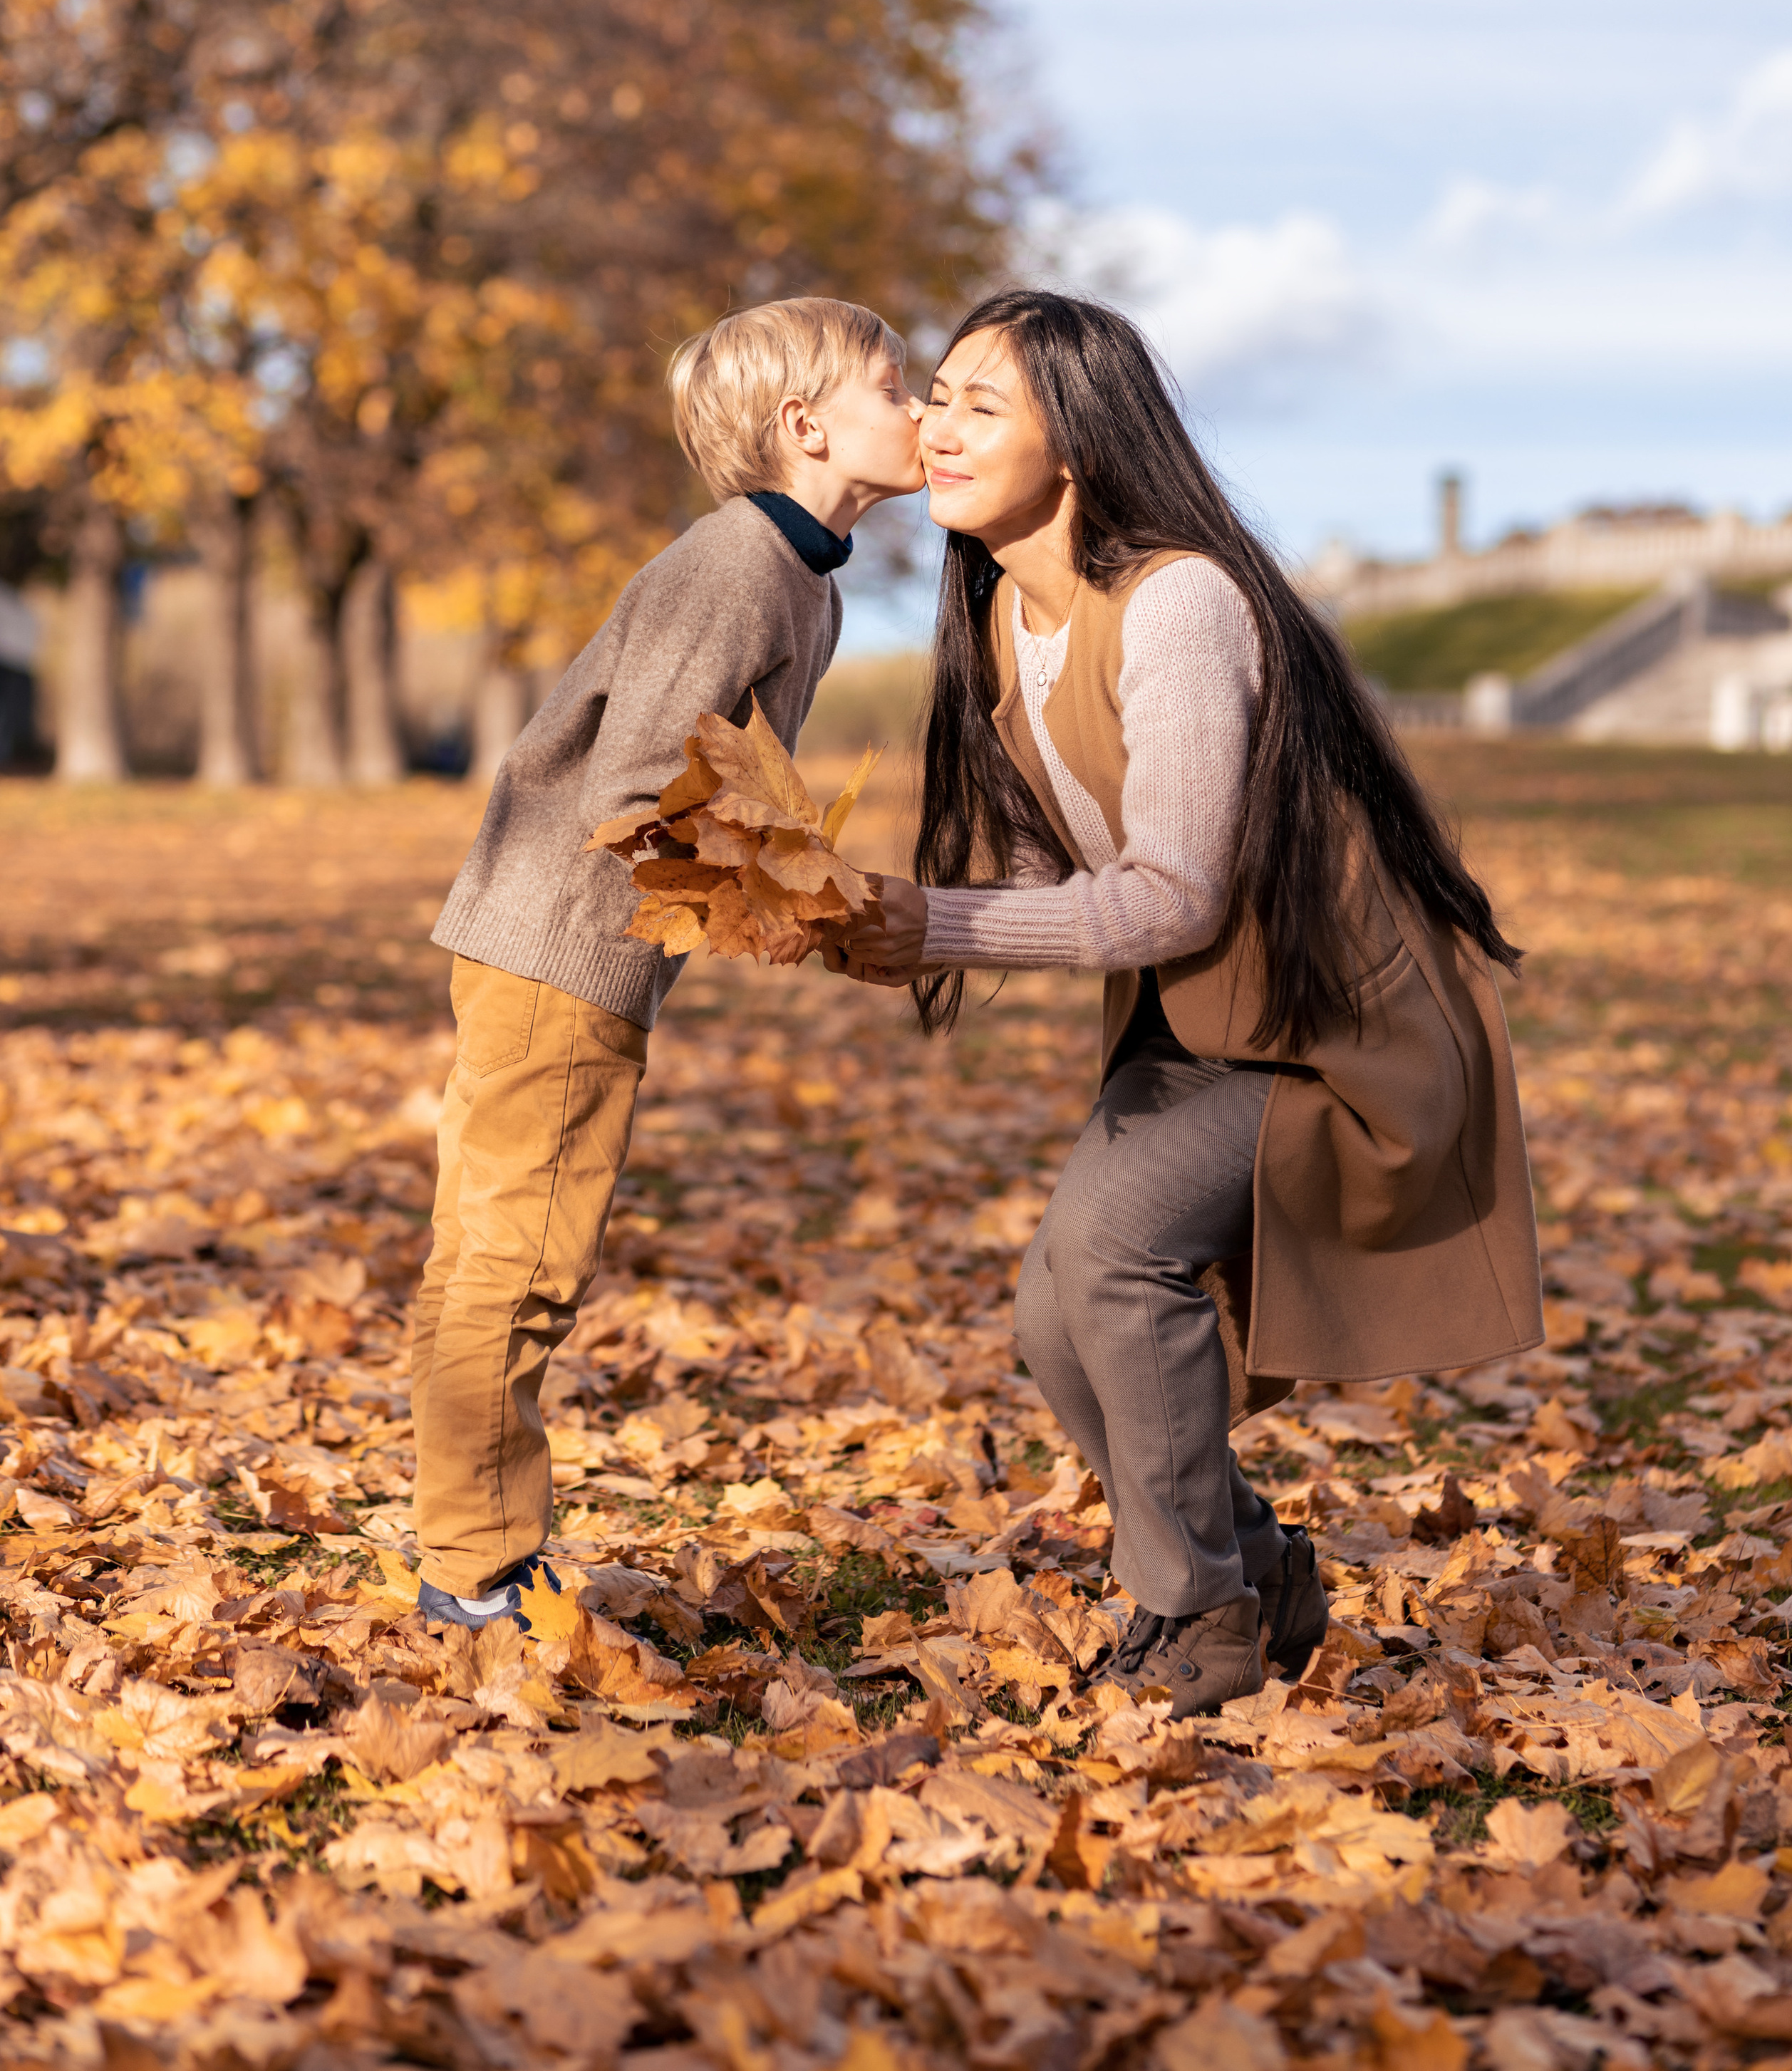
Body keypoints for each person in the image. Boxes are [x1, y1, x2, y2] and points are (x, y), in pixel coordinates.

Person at [839, 288, 1542, 1717]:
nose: (936, 424)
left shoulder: (1175, 601)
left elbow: (1170, 898)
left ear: (1081, 443)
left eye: (982, 402)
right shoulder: (1001, 622)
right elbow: (1065, 864)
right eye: (938, 396)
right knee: (1052, 1320)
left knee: (1109, 1252)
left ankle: (1197, 1614)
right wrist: (853, 913)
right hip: (1202, 1024)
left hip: (1328, 1028)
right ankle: (1255, 1557)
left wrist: (934, 922)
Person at [413, 297, 925, 1630]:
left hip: (552, 945)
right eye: (896, 384)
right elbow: (643, 777)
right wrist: (791, 888)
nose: (922, 407)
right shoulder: (738, 565)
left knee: (486, 1245)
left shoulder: (798, 573)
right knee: (520, 1258)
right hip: (562, 949)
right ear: (807, 428)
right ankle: (474, 1572)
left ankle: (461, 1547)